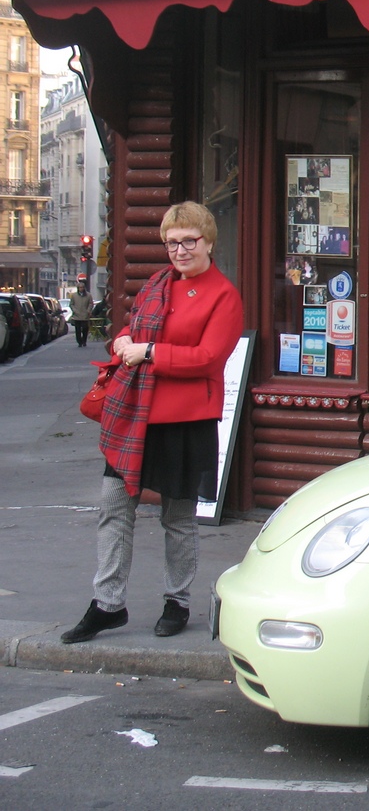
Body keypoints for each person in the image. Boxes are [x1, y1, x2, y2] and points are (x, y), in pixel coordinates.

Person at [61, 202, 244, 644]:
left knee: (177, 518)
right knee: (113, 509)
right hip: (134, 416)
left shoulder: (224, 295)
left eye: (189, 241)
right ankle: (108, 605)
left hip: (184, 420)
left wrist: (149, 352)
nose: (180, 250)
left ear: (208, 242)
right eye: (171, 242)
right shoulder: (156, 284)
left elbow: (208, 358)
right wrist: (124, 339)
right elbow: (132, 328)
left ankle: (177, 602)